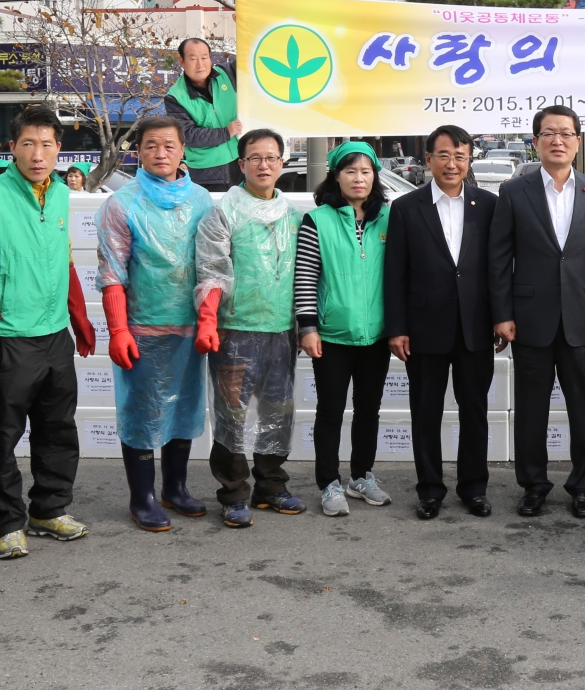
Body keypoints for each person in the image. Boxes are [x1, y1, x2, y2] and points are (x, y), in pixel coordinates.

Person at [0, 107, 96, 560]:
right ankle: (7, 521)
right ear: (11, 147)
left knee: (58, 429)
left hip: (54, 334)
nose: (39, 154)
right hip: (8, 336)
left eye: (48, 144)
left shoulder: (58, 193)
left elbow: (64, 257)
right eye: (29, 144)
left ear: (60, 148)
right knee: (3, 434)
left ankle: (49, 509)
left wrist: (79, 317)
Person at [488, 105, 585, 519]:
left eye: (566, 133)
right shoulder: (514, 191)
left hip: (583, 317)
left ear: (578, 142)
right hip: (531, 319)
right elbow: (499, 258)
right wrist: (502, 313)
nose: (558, 140)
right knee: (531, 410)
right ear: (535, 142)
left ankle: (583, 487)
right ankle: (533, 486)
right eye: (549, 133)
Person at [97, 115, 212, 532]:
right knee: (143, 415)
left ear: (184, 150)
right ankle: (141, 496)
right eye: (150, 146)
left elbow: (212, 266)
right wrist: (119, 330)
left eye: (168, 145)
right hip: (143, 326)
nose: (160, 153)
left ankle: (175, 488)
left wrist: (209, 319)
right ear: (138, 151)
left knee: (182, 409)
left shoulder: (201, 200)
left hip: (189, 327)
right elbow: (112, 272)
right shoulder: (121, 204)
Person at [385, 126, 498, 520]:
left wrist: (502, 319)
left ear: (469, 161)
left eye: (461, 156)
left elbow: (498, 269)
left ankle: (474, 488)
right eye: (444, 155)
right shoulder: (405, 207)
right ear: (429, 159)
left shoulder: (488, 204)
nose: (452, 164)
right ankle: (430, 489)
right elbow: (395, 273)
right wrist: (397, 327)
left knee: (475, 411)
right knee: (426, 412)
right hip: (423, 329)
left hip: (475, 328)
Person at [194, 128, 304, 529]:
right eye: (254, 158)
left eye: (271, 157)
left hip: (281, 330)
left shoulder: (293, 216)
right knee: (232, 416)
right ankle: (234, 492)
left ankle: (271, 486)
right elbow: (211, 271)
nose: (263, 165)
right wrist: (209, 319)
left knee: (277, 412)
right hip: (235, 330)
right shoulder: (222, 212)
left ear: (281, 163)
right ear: (241, 164)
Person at [294, 142, 393, 517]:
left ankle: (362, 476)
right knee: (330, 410)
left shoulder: (388, 218)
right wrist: (307, 326)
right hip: (332, 333)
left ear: (375, 177)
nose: (359, 178)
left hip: (377, 335)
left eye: (366, 171)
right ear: (336, 175)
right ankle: (329, 482)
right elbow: (305, 277)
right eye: (350, 171)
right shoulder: (316, 220)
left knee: (369, 409)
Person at [162, 38, 242, 192]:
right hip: (207, 173)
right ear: (182, 61)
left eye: (204, 57)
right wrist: (226, 132)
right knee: (213, 214)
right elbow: (188, 135)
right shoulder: (175, 96)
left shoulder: (227, 74)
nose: (200, 64)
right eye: (193, 59)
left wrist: (244, 24)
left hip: (240, 162)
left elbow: (249, 59)